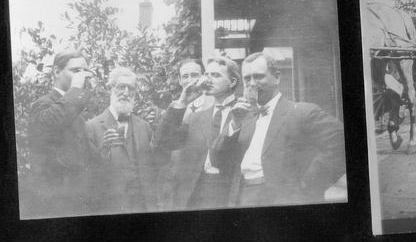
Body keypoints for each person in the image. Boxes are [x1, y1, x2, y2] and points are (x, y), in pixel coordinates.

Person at [227, 52, 346, 207]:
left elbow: (342, 144)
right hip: (244, 197)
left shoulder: (302, 112)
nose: (252, 83)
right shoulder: (244, 117)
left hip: (285, 198)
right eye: (247, 78)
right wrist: (235, 123)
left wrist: (308, 185)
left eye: (258, 76)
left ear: (277, 77)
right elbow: (220, 160)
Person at [154, 57, 241, 210]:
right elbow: (164, 141)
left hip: (233, 194)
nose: (208, 79)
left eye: (216, 75)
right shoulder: (196, 118)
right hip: (198, 195)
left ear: (232, 82)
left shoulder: (246, 112)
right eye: (207, 75)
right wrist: (182, 101)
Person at [85, 67, 169, 215]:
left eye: (130, 88)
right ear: (111, 89)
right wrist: (103, 150)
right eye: (121, 87)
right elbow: (88, 176)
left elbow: (154, 166)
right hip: (110, 209)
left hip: (143, 208)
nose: (125, 92)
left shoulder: (144, 126)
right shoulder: (91, 127)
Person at [23, 50, 94, 218]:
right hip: (53, 204)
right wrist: (76, 88)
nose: (82, 76)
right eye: (76, 70)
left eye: (85, 71)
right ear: (56, 71)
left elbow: (86, 157)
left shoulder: (75, 113)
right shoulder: (42, 105)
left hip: (77, 202)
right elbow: (53, 121)